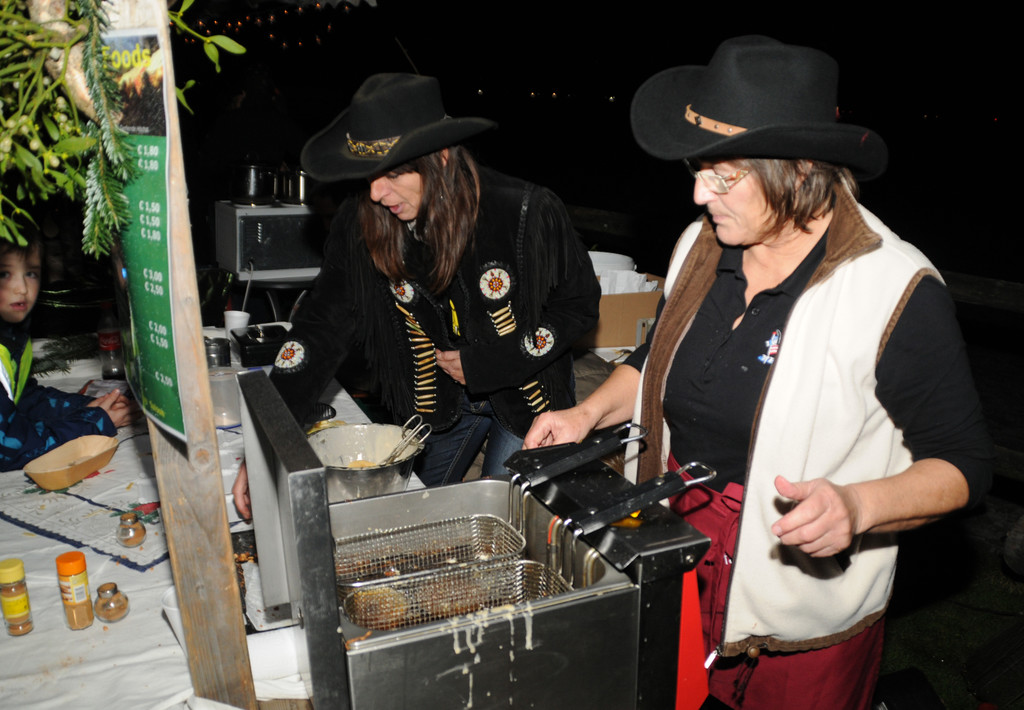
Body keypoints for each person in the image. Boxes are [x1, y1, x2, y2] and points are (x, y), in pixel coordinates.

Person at [524, 36, 991, 709]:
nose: (698, 193)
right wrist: (586, 413)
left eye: (723, 177)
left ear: (800, 170)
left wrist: (859, 506)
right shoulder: (701, 244)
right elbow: (659, 361)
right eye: (698, 169)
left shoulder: (892, 289)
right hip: (675, 546)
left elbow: (964, 464)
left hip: (795, 598)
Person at [231, 73, 598, 516]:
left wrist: (492, 362)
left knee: (504, 520)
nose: (375, 192)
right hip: (436, 400)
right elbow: (319, 329)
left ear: (440, 158)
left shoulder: (524, 212)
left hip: (527, 393)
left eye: (392, 173)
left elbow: (579, 306)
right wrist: (266, 440)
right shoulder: (361, 222)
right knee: (404, 513)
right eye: (368, 175)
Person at [0, 233, 135, 472]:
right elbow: (10, 447)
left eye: (31, 273)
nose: (22, 289)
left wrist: (90, 407)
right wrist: (94, 422)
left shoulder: (10, 330)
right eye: (4, 274)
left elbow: (24, 399)